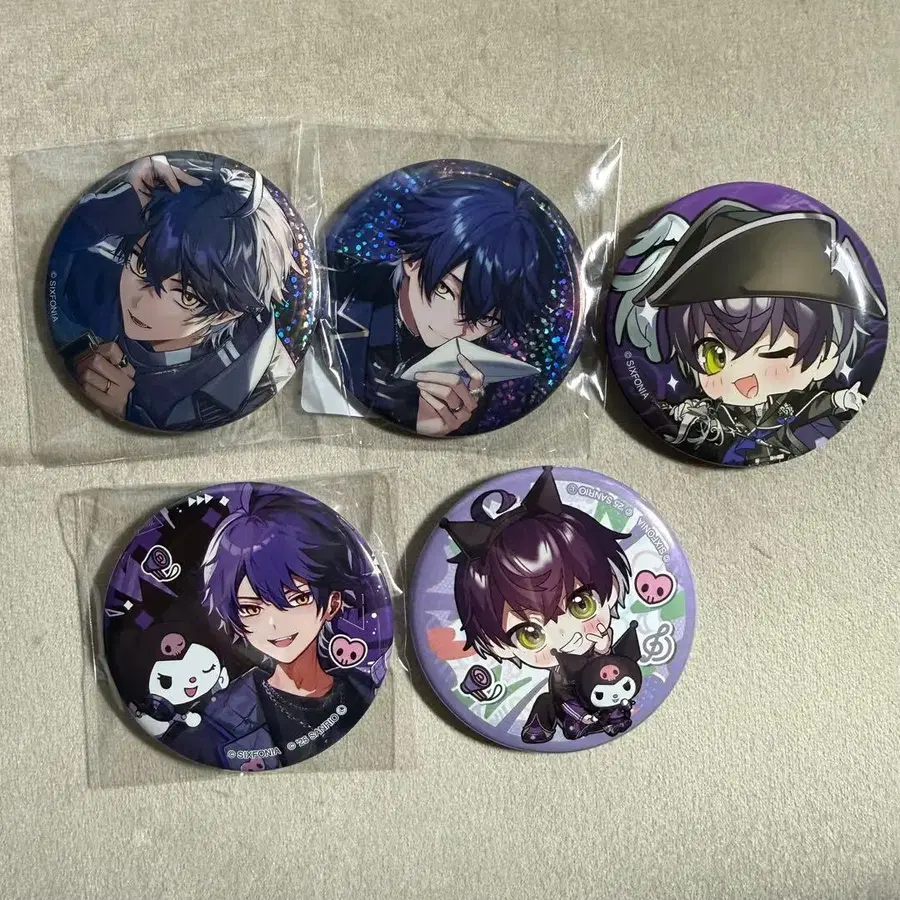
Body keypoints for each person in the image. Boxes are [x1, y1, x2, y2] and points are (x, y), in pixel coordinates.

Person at [611, 199, 887, 464]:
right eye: (714, 357)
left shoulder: (800, 409)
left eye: (774, 353)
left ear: (825, 356)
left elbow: (817, 408)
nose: (743, 376)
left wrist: (840, 399)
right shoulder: (717, 414)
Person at [50, 154, 299, 429]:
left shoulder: (259, 380)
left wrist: (132, 412)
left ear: (226, 314)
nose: (140, 302)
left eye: (185, 296)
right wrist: (121, 204)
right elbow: (50, 263)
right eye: (141, 265)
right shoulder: (105, 281)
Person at [332, 176, 556, 435]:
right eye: (445, 290)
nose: (455, 326)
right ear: (411, 259)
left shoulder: (479, 375)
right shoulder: (338, 287)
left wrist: (431, 428)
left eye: (485, 318)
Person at [197, 484, 387, 770]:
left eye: (297, 599)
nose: (274, 623)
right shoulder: (220, 716)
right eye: (251, 609)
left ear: (333, 603)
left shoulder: (361, 689)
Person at [440, 466, 633, 743]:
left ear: (611, 586)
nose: (567, 636)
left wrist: (603, 648)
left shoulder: (600, 645)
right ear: (500, 646)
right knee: (548, 701)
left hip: (603, 693)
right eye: (531, 635)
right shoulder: (560, 667)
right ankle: (541, 726)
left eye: (581, 605)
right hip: (568, 698)